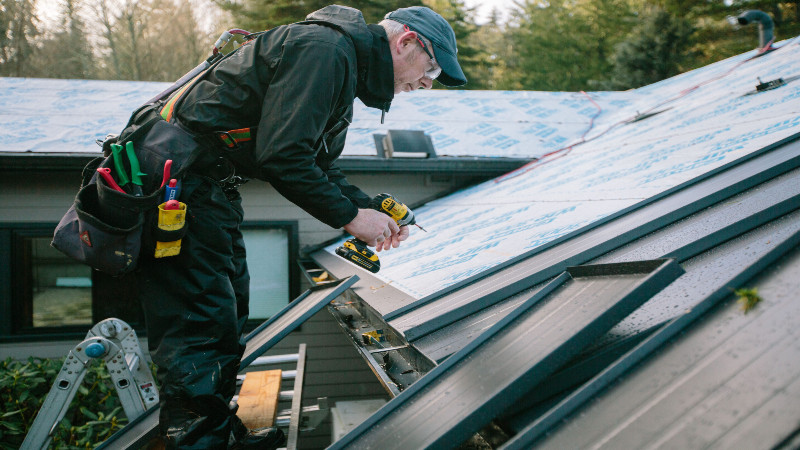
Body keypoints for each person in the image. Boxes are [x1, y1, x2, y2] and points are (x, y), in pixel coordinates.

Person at [130, 4, 467, 449]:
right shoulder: (324, 50)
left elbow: (317, 166)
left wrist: (368, 210)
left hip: (208, 191)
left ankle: (216, 432)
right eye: (432, 68)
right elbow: (283, 157)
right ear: (405, 42)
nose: (428, 82)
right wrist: (351, 218)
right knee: (201, 322)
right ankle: (197, 443)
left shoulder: (340, 65)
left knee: (227, 311)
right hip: (178, 190)